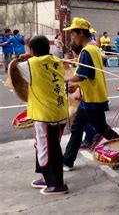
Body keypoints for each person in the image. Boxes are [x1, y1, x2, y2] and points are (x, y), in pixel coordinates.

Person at [62, 17, 119, 172]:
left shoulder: (86, 51)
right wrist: (76, 84)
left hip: (92, 99)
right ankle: (67, 161)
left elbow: (82, 75)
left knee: (100, 128)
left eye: (73, 33)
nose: (72, 37)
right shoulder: (93, 49)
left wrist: (66, 78)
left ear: (81, 33)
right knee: (78, 128)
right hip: (91, 97)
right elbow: (89, 74)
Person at [15, 36, 69, 195]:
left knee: (47, 149)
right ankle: (48, 178)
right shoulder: (56, 61)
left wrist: (22, 58)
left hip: (45, 115)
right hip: (59, 111)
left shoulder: (31, 64)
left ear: (32, 50)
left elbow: (14, 69)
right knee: (51, 146)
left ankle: (56, 184)